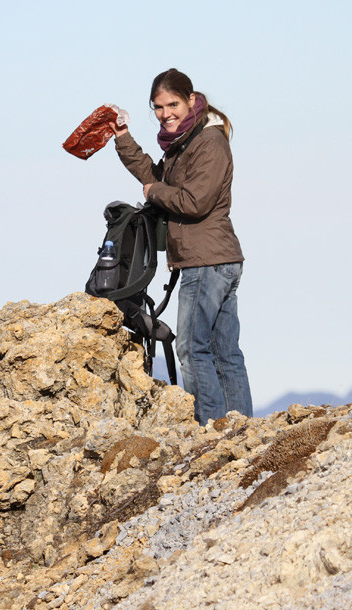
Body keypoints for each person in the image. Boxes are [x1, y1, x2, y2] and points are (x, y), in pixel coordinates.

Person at [107, 68, 252, 425]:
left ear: (191, 100)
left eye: (173, 104)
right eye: (157, 107)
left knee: (192, 349)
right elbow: (155, 179)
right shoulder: (183, 144)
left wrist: (155, 193)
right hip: (214, 259)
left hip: (206, 262)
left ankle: (210, 427)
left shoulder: (209, 142)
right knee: (223, 351)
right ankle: (240, 429)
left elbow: (195, 201)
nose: (165, 113)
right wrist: (123, 137)